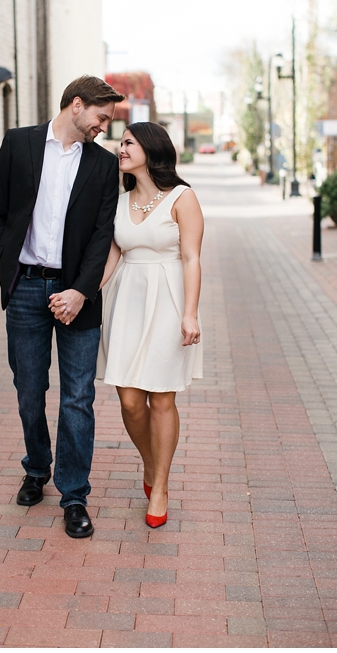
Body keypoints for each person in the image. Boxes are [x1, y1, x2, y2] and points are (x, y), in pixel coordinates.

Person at [0, 75, 123, 539]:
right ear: (77, 105)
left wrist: (82, 290)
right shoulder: (19, 144)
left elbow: (103, 234)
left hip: (77, 292)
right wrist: (4, 264)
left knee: (78, 397)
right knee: (29, 390)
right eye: (101, 117)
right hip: (25, 286)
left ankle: (74, 494)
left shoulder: (104, 167)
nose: (104, 127)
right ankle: (37, 468)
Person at [97, 122, 203, 529]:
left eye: (127, 142)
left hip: (170, 301)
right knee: (128, 399)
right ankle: (150, 461)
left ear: (150, 149)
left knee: (161, 399)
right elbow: (112, 257)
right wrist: (86, 292)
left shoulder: (182, 197)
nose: (120, 149)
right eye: (120, 143)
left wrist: (190, 313)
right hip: (126, 303)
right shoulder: (119, 201)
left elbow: (192, 258)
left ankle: (159, 485)